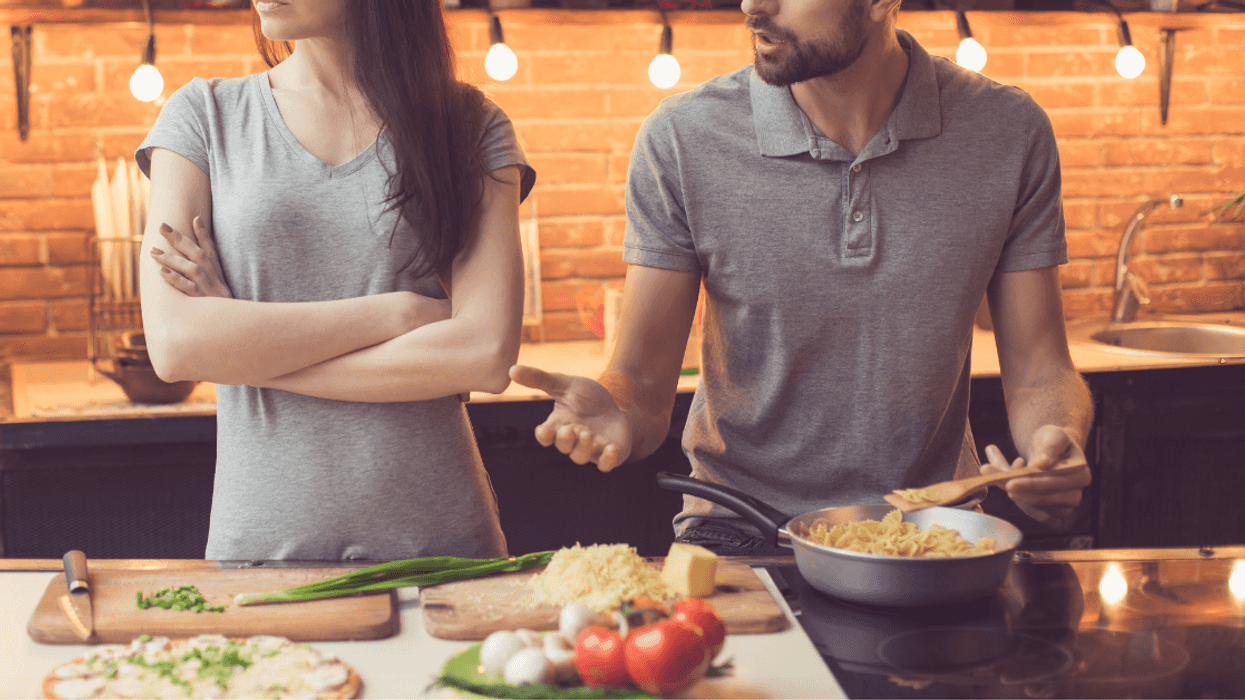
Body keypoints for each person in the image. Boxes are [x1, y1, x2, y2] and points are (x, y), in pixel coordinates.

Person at [511, 0, 1092, 554]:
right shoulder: (683, 140)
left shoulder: (1010, 133)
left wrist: (1055, 440)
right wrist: (617, 410)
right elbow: (639, 378)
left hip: (932, 532)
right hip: (739, 531)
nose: (751, 7)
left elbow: (1042, 368)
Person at [136, 0, 535, 561]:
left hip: (442, 550)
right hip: (260, 550)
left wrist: (245, 353)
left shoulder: (469, 125)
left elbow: (485, 355)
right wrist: (397, 312)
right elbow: (178, 346)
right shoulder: (203, 116)